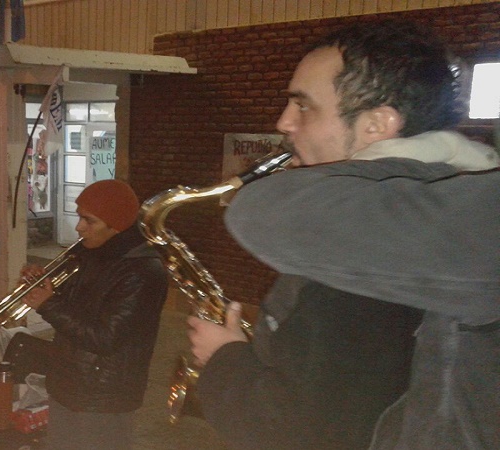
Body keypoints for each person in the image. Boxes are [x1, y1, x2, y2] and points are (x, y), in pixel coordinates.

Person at [185, 20, 499, 450]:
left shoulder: (362, 247)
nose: (283, 123)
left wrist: (223, 359)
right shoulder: (440, 199)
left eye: (304, 106)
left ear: (376, 124)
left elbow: (294, 432)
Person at [21, 179, 169, 450]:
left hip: (104, 394)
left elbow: (104, 338)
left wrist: (48, 305)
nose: (79, 228)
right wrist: (48, 288)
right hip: (68, 379)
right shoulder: (91, 252)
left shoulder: (143, 271)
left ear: (117, 225)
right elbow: (80, 307)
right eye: (80, 218)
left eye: (89, 221)